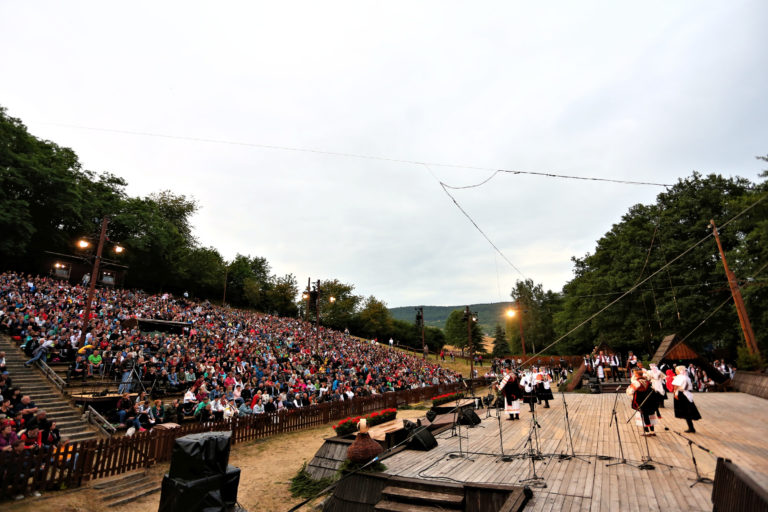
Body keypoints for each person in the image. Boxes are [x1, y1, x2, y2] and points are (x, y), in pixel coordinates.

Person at [626, 369, 658, 436]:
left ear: (637, 375)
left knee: (644, 415)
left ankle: (647, 432)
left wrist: (629, 390)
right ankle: (652, 431)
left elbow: (630, 391)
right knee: (650, 414)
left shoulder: (637, 382)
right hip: (649, 400)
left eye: (634, 374)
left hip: (641, 401)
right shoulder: (647, 381)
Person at [672, 365, 701, 433]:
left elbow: (676, 386)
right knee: (687, 411)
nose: (675, 371)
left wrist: (675, 393)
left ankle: (691, 428)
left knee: (685, 412)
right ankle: (691, 427)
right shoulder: (686, 377)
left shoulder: (680, 377)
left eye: (676, 370)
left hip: (682, 394)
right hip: (687, 394)